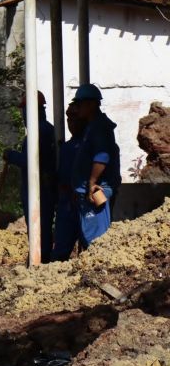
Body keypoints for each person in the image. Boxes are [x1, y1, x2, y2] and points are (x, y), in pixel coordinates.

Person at [3, 91, 57, 262]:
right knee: (43, 226)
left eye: (24, 111)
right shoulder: (48, 129)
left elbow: (31, 161)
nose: (23, 116)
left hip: (39, 188)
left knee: (39, 226)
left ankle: (41, 259)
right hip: (43, 186)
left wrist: (11, 155)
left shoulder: (38, 132)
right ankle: (40, 256)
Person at [71, 83, 121, 248]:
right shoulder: (92, 126)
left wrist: (92, 183)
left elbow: (102, 157)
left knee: (96, 241)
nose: (77, 108)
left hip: (95, 192)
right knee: (88, 238)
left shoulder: (99, 127)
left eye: (80, 104)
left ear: (92, 104)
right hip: (87, 193)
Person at [51, 100, 87, 261]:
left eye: (75, 118)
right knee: (61, 247)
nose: (71, 122)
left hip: (84, 201)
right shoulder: (66, 147)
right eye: (69, 118)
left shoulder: (89, 146)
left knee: (90, 245)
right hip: (66, 202)